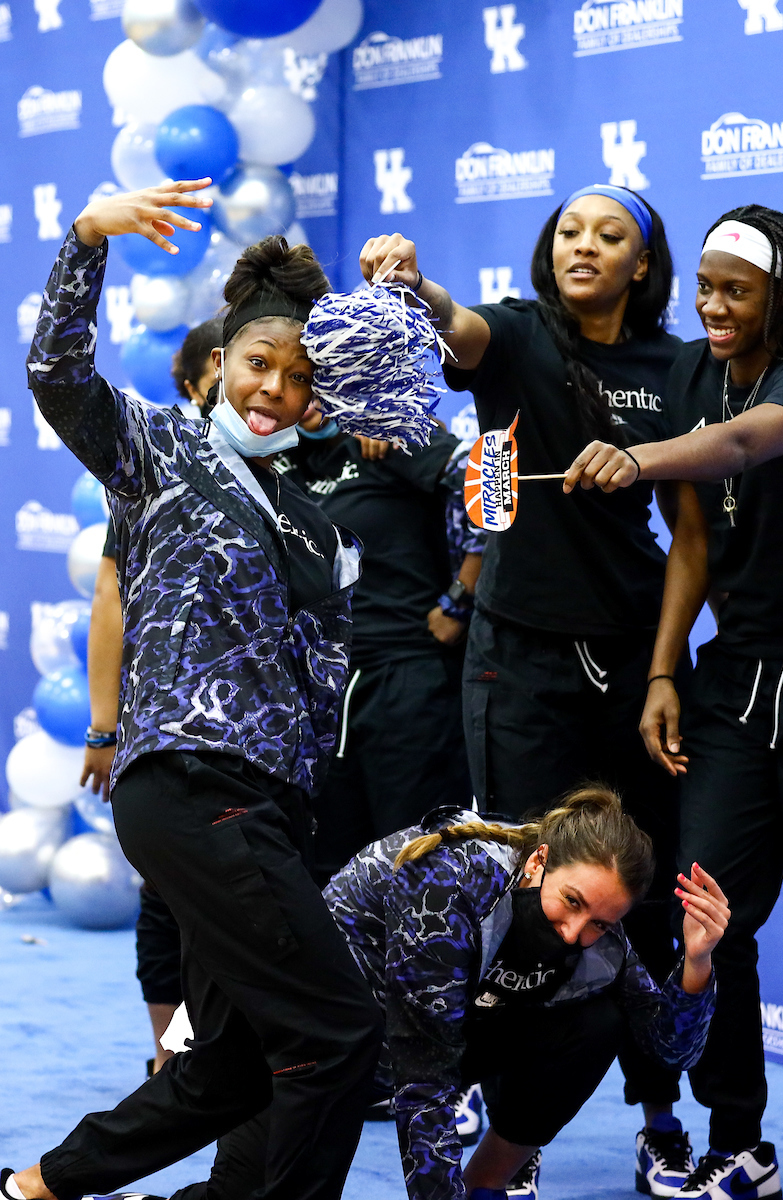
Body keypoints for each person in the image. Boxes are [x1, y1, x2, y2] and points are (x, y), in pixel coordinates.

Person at [4, 180, 382, 1200]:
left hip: (272, 809)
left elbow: (322, 676)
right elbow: (56, 372)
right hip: (188, 784)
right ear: (219, 367)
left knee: (243, 1059)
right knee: (341, 1033)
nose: (274, 389)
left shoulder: (316, 514)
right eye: (258, 364)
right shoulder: (159, 450)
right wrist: (88, 237)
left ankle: (31, 1189)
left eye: (297, 379)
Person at [565, 205, 783, 1200]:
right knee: (707, 918)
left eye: (737, 291)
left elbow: (735, 448)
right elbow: (692, 540)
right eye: (707, 288)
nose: (714, 306)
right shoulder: (692, 371)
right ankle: (741, 1147)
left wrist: (636, 458)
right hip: (739, 678)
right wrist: (664, 671)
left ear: (782, 297)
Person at [360, 185, 695, 1195]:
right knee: (513, 893)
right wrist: (412, 285)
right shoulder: (512, 334)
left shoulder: (678, 368)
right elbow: (455, 329)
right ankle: (509, 1124)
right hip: (517, 659)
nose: (583, 246)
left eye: (610, 236)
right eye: (569, 233)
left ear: (644, 263)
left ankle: (660, 1117)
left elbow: (693, 532)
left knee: (641, 897)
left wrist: (665, 669)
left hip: (632, 659)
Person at [166, 787, 728, 1200]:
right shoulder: (451, 879)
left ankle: (488, 1185)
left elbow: (669, 1051)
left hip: (429, 1046)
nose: (576, 935)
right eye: (573, 903)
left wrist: (697, 960)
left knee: (596, 1022)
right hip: (307, 1051)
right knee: (242, 1197)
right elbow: (424, 1077)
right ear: (538, 861)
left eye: (603, 923)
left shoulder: (603, 943)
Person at [79, 317, 223, 1079]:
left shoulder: (293, 469)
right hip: (164, 734)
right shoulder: (152, 469)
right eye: (223, 377)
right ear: (195, 385)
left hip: (263, 745)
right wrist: (104, 730)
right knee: (168, 902)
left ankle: (216, 1057)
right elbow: (112, 601)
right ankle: (174, 1063)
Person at [273, 410, 480, 886]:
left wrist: (462, 596)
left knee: (417, 866)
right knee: (328, 868)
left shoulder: (385, 434)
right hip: (320, 692)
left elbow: (489, 476)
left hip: (407, 680)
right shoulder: (274, 456)